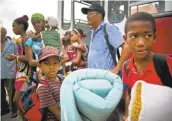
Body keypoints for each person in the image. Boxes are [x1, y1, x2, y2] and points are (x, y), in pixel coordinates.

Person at [122, 12, 172, 120]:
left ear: (155, 37)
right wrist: (128, 115)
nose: (141, 43)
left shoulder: (166, 64)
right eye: (133, 36)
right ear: (125, 39)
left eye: (147, 36)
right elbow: (129, 94)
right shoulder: (126, 67)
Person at [81, 3, 129, 75]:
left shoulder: (108, 28)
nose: (87, 16)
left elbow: (126, 47)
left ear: (99, 16)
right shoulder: (93, 31)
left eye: (90, 13)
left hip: (105, 77)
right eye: (87, 14)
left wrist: (117, 68)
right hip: (94, 76)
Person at [6, 15, 30, 103]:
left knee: (16, 100)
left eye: (14, 26)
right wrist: (14, 57)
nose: (12, 28)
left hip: (25, 73)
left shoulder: (26, 39)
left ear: (21, 26)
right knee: (20, 101)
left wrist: (14, 56)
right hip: (20, 71)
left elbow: (28, 57)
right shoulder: (21, 39)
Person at [37, 46, 61, 120]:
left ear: (59, 64)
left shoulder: (61, 78)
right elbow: (57, 113)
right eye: (47, 63)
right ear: (40, 65)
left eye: (55, 63)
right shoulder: (43, 87)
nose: (51, 67)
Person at [1, 27, 18, 117]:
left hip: (9, 71)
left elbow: (17, 57)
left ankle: (14, 110)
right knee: (1, 93)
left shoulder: (12, 44)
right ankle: (4, 108)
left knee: (11, 93)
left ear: (4, 34)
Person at [25, 13, 45, 80]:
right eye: (34, 23)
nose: (36, 25)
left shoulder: (52, 36)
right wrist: (47, 63)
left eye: (38, 22)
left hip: (57, 70)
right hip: (40, 72)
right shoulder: (30, 40)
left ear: (44, 22)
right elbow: (31, 62)